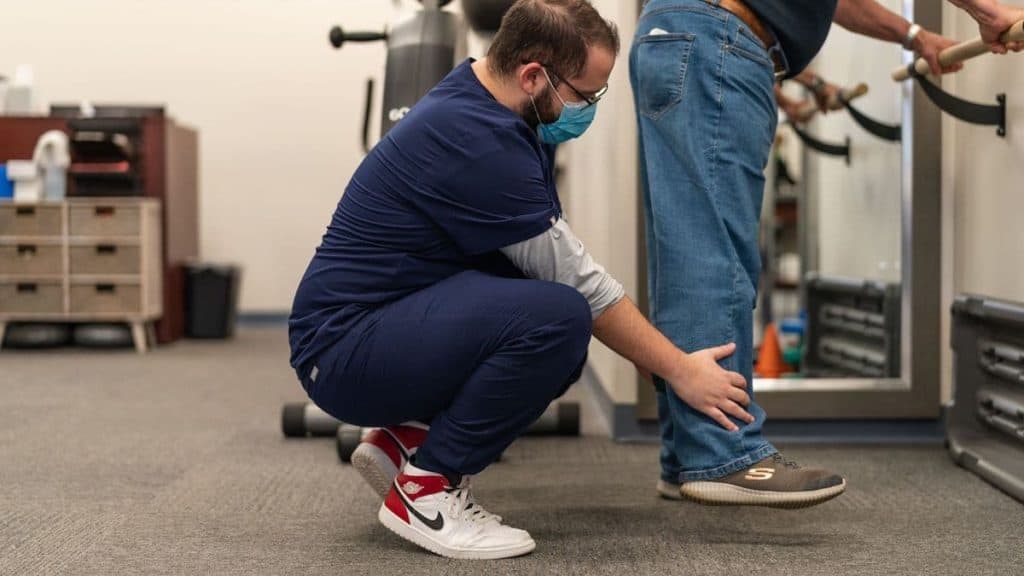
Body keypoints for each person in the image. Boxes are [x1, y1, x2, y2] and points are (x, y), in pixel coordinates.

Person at [289, 0, 824, 560]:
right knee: (561, 319)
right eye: (584, 95)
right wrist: (679, 370)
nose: (587, 109)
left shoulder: (483, 100)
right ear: (532, 76)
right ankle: (426, 491)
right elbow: (583, 286)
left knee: (535, 296)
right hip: (343, 348)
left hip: (365, 328)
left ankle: (405, 439)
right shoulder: (479, 142)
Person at [629, 0, 1024, 508]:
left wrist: (913, 36)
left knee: (686, 247)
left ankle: (685, 454)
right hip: (714, 39)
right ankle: (722, 454)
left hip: (682, 37)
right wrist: (985, 10)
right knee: (715, 251)